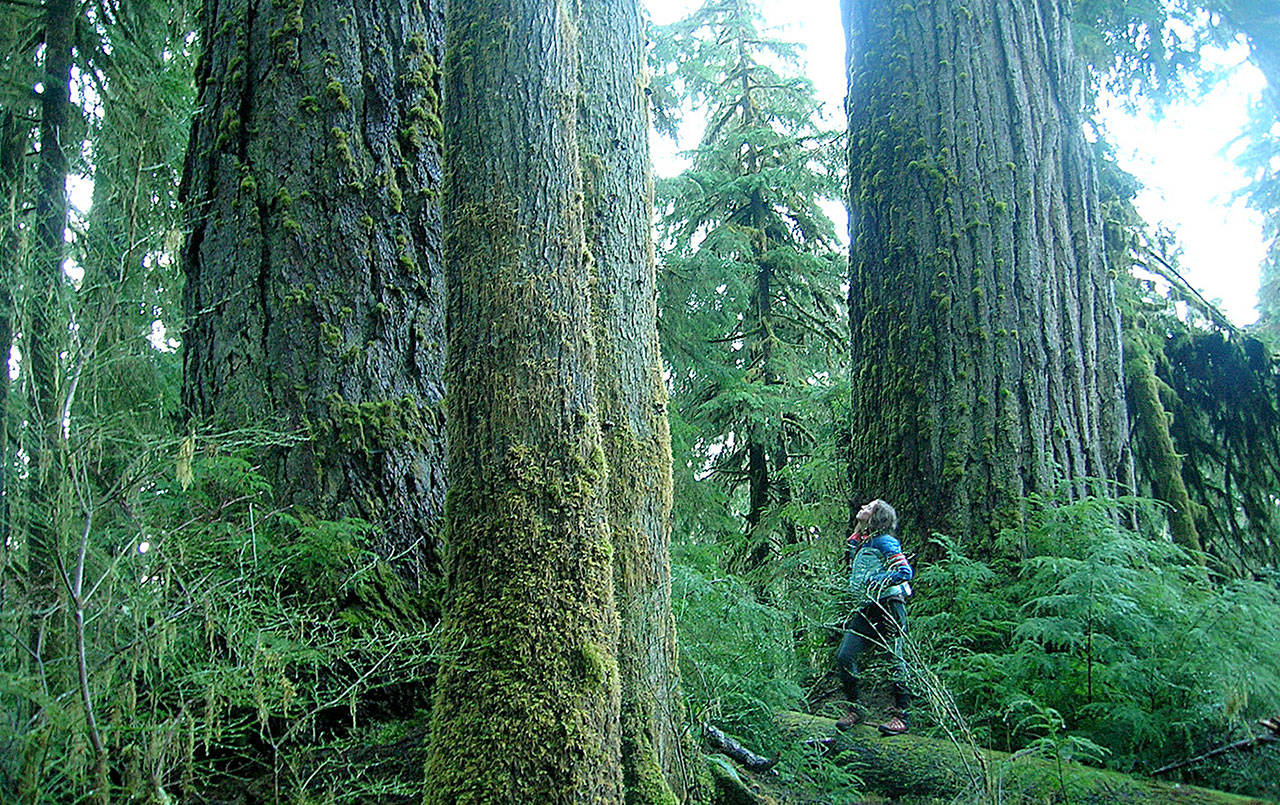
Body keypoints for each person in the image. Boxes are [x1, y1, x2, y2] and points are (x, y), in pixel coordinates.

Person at [834, 498, 913, 735]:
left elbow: (904, 571)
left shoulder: (886, 542)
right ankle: (855, 709)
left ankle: (902, 716)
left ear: (877, 517)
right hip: (866, 608)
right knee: (845, 655)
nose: (862, 508)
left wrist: (876, 581)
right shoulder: (861, 543)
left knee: (894, 659)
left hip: (889, 605)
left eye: (868, 508)